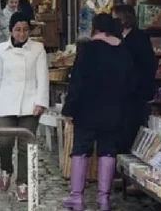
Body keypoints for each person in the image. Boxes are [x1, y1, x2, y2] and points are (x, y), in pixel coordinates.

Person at [62, 13, 133, 211]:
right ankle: (104, 199)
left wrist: (69, 108)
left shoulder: (88, 50)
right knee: (108, 151)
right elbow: (130, 84)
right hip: (114, 110)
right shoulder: (123, 52)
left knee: (81, 150)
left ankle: (77, 197)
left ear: (95, 29)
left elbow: (76, 82)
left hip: (87, 110)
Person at [0, 12, 49, 201]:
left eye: (25, 30)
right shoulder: (1, 49)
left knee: (25, 145)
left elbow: (43, 77)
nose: (21, 34)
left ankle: (23, 182)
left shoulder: (38, 49)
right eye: (17, 30)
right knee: (5, 141)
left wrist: (41, 102)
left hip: (29, 103)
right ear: (11, 31)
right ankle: (6, 168)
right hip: (5, 101)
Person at [113, 5, 157, 153]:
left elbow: (148, 65)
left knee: (133, 128)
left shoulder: (139, 38)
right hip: (122, 92)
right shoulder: (118, 38)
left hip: (136, 92)